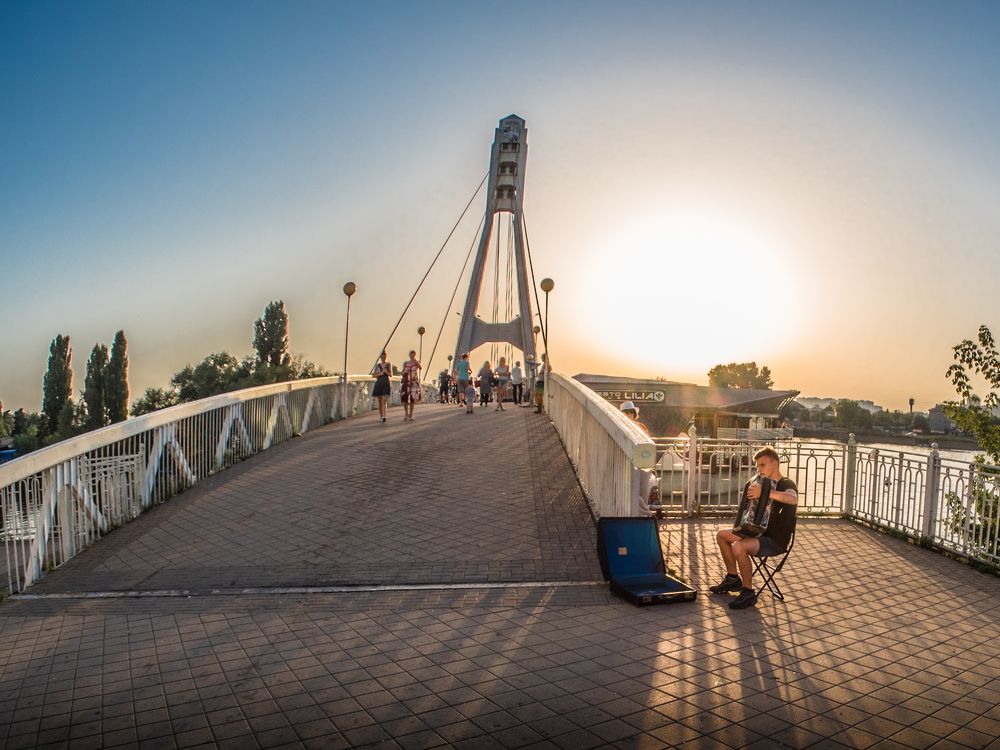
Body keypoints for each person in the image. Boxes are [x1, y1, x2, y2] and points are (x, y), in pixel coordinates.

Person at [711, 446, 798, 609]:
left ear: (775, 464)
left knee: (739, 547)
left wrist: (765, 493)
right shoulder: (761, 482)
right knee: (721, 535)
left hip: (775, 540)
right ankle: (732, 579)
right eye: (757, 466)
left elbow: (793, 499)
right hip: (757, 533)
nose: (759, 469)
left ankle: (748, 592)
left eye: (762, 465)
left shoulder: (786, 483)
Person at [620, 402, 659, 514]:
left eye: (631, 412)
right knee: (632, 490)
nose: (629, 414)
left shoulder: (641, 426)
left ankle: (642, 514)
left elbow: (647, 443)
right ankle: (645, 513)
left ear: (634, 414)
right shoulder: (619, 427)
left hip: (642, 463)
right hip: (628, 462)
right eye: (626, 412)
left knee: (642, 491)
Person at [400, 350, 422, 422]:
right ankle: (406, 413)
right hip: (406, 382)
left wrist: (416, 362)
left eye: (413, 355)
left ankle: (411, 414)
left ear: (415, 355)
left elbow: (420, 368)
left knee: (412, 398)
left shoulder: (417, 362)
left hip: (413, 382)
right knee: (405, 397)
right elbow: (402, 372)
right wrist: (404, 372)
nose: (412, 356)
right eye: (411, 355)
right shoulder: (406, 363)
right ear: (409, 355)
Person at [371, 351, 392, 423]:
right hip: (379, 383)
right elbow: (373, 375)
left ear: (386, 356)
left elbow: (391, 374)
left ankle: (384, 416)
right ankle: (381, 416)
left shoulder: (388, 364)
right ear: (380, 357)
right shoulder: (377, 365)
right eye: (382, 356)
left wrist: (386, 372)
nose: (383, 358)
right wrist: (380, 373)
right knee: (380, 401)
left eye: (384, 356)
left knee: (384, 400)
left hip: (386, 382)